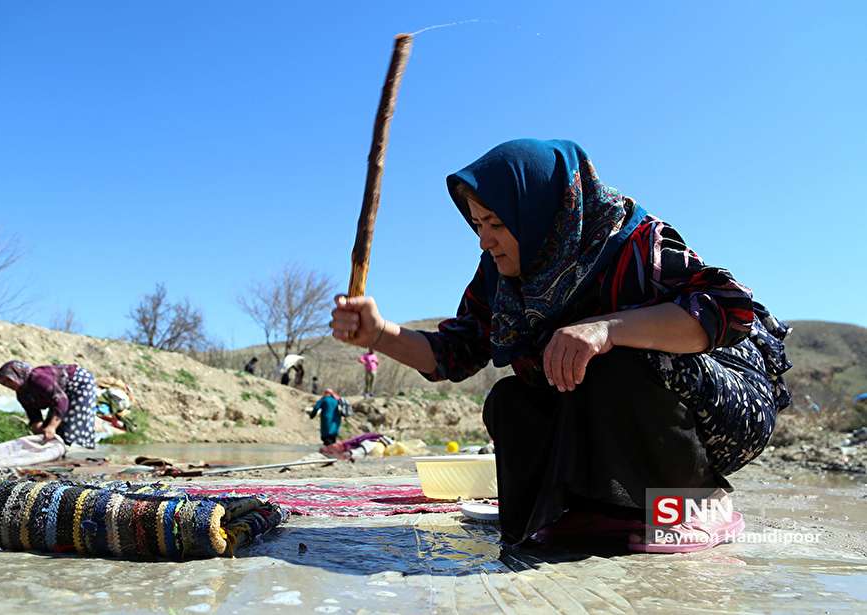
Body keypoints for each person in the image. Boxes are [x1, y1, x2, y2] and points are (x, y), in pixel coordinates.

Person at [331, 139, 791, 551]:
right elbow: (455, 352)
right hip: (610, 412)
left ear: (538, 213)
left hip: (720, 406)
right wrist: (378, 334)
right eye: (477, 225)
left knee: (620, 360)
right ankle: (596, 509)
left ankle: (696, 504)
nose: (484, 239)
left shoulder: (632, 243)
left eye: (495, 223)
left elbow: (724, 311)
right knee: (511, 400)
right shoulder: (501, 276)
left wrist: (606, 328)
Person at [0, 360, 99, 448]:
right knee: (52, 430)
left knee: (73, 423)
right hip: (60, 393)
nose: (7, 385)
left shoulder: (37, 378)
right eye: (4, 383)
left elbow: (61, 400)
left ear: (17, 374)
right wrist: (39, 430)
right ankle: (61, 448)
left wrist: (52, 427)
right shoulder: (22, 394)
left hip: (78, 382)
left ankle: (79, 450)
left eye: (8, 380)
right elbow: (33, 415)